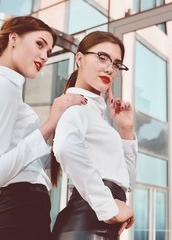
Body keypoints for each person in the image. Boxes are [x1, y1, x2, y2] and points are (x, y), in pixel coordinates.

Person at [0, 15, 87, 240]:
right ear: (13, 38)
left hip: (12, 211)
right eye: (40, 44)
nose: (44, 56)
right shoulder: (1, 88)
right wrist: (49, 124)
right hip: (16, 213)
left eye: (49, 52)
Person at [51, 31, 137, 239]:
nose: (110, 68)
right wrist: (108, 208)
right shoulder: (77, 105)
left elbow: (125, 182)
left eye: (116, 64)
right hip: (87, 225)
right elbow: (64, 147)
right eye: (102, 57)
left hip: (91, 226)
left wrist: (125, 130)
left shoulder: (94, 112)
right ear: (79, 58)